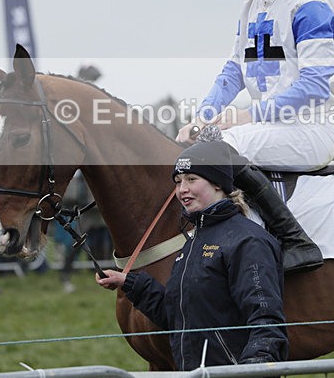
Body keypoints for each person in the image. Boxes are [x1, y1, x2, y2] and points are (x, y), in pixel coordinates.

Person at [176, 0, 334, 272]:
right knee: (201, 147)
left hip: (310, 129)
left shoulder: (309, 2)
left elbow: (316, 85)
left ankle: (295, 241)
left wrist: (246, 114)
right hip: (271, 128)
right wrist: (203, 116)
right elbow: (232, 73)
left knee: (224, 149)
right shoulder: (251, 7)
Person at [96, 142, 288, 369]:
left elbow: (267, 325)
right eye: (178, 182)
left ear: (218, 184)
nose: (181, 189)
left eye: (191, 179)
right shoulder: (193, 241)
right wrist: (130, 283)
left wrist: (249, 371)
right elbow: (176, 316)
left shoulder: (248, 241)